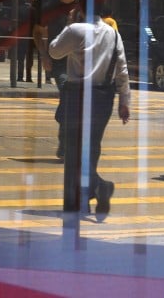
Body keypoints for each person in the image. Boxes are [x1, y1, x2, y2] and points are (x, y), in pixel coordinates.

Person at [49, 14, 130, 218]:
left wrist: (68, 25)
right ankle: (84, 197)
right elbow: (122, 67)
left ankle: (98, 186)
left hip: (78, 94)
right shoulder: (113, 33)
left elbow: (54, 51)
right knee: (92, 147)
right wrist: (124, 101)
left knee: (74, 149)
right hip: (104, 95)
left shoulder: (76, 29)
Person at [33, 0, 84, 159]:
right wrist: (44, 56)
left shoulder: (82, 7)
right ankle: (66, 142)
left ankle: (65, 132)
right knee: (67, 92)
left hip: (82, 63)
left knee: (73, 102)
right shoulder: (50, 9)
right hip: (60, 63)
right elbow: (37, 32)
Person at [16, 0, 36, 82]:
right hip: (30, 37)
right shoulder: (33, 10)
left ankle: (20, 76)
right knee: (29, 58)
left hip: (21, 36)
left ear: (25, 0)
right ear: (33, 1)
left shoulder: (19, 9)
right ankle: (29, 77)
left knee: (20, 58)